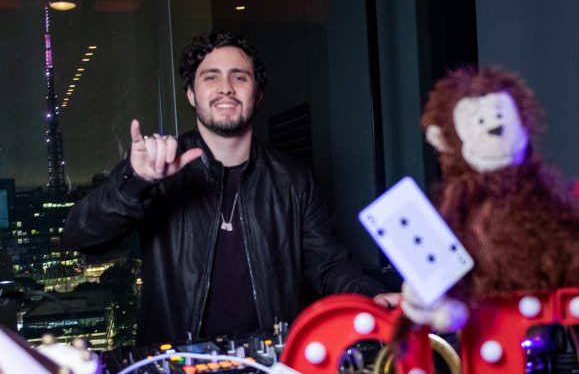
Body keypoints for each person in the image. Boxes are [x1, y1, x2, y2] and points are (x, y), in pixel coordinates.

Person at [63, 30, 398, 345]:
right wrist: (136, 182)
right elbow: (79, 237)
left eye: (239, 77)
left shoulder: (294, 180)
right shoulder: (158, 171)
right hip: (178, 363)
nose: (225, 87)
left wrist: (373, 296)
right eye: (211, 77)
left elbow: (329, 264)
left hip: (271, 363)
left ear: (258, 94)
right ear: (191, 94)